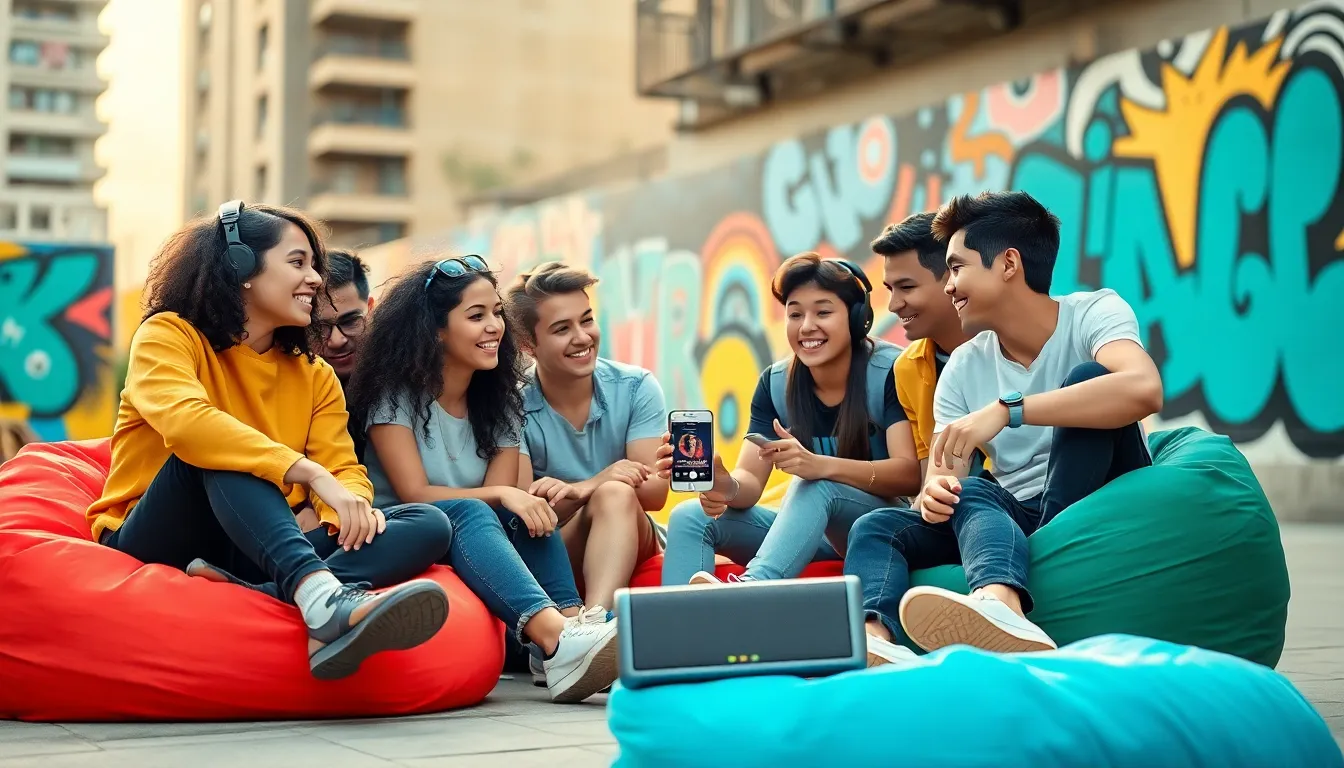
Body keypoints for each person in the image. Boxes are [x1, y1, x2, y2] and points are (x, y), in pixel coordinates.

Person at [86, 202, 451, 680]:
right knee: (219, 455)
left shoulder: (314, 374)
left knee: (427, 523)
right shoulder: (168, 336)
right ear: (240, 268)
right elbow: (188, 424)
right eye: (298, 263)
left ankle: (270, 593)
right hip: (157, 535)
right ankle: (320, 598)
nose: (317, 279)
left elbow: (344, 468)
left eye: (314, 266)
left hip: (259, 544)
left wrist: (345, 508)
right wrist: (309, 475)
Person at [845, 190, 1163, 662]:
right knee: (881, 524)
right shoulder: (963, 368)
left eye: (956, 268)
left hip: (1095, 496)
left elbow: (1143, 388)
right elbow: (941, 476)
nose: (948, 286)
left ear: (1008, 263)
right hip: (1014, 514)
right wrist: (935, 495)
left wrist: (1009, 409)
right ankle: (876, 639)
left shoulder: (1093, 313)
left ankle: (1000, 603)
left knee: (1090, 380)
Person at [347, 256, 619, 703]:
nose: (495, 326)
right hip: (402, 531)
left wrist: (512, 497)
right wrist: (504, 493)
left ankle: (567, 630)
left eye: (496, 312)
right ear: (435, 330)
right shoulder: (392, 397)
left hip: (473, 538)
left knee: (529, 513)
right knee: (486, 506)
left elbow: (503, 505)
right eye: (476, 316)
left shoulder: (501, 404)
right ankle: (557, 638)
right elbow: (415, 493)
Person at [656, 253, 922, 586]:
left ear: (857, 319)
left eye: (823, 312)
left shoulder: (889, 372)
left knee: (815, 483)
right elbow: (748, 487)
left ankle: (752, 589)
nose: (807, 326)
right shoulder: (777, 383)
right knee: (690, 517)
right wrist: (720, 482)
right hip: (815, 528)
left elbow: (909, 475)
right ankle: (678, 627)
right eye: (795, 314)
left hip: (886, 525)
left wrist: (819, 466)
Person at [504, 261, 669, 621]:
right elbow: (525, 518)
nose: (582, 337)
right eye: (562, 329)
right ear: (527, 344)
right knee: (611, 490)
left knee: (617, 494)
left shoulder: (636, 386)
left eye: (587, 319)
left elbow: (655, 494)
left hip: (633, 539)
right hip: (553, 553)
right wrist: (592, 484)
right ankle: (586, 633)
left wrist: (580, 492)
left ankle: (592, 625)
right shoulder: (510, 406)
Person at [314, 249, 373, 457]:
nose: (337, 340)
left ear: (371, 308)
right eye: (319, 328)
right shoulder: (294, 392)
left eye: (350, 321)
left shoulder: (410, 373)